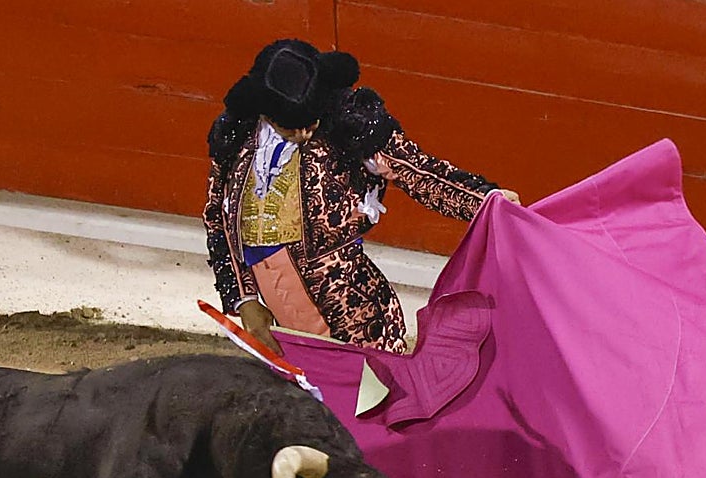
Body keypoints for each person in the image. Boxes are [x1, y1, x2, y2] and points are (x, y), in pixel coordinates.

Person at [203, 39, 519, 355]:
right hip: (276, 315)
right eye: (291, 127)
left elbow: (419, 172)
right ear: (266, 113)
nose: (305, 132)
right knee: (299, 396)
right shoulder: (237, 136)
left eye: (310, 121)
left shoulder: (348, 122)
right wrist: (242, 299)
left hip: (350, 307)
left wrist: (484, 200)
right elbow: (217, 218)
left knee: (366, 394)